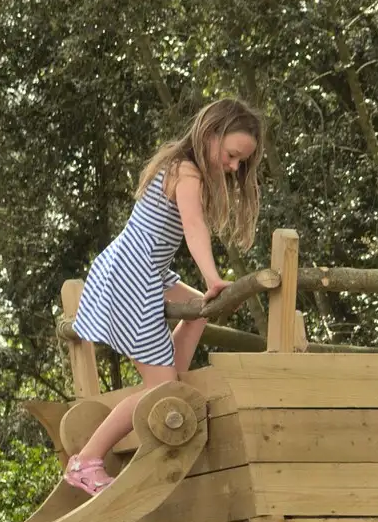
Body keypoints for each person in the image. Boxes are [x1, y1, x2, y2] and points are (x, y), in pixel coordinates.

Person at [64, 99, 264, 494]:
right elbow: (193, 229)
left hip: (147, 269)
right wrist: (213, 278)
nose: (234, 166)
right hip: (133, 274)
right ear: (210, 136)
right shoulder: (185, 172)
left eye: (242, 161)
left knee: (201, 312)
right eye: (231, 155)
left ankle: (174, 382)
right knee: (157, 390)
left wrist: (211, 296)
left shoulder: (181, 168)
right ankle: (86, 460)